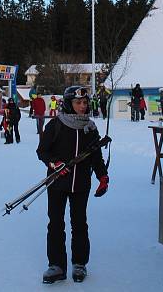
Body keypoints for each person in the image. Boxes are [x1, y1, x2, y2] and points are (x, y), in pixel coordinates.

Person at [36, 85, 109, 284]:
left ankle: (79, 263)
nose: (83, 106)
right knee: (56, 224)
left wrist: (103, 176)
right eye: (78, 102)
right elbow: (42, 151)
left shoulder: (90, 128)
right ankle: (57, 265)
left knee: (79, 224)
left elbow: (96, 157)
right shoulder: (56, 125)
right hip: (58, 183)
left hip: (81, 185)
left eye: (85, 102)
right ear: (69, 104)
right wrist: (54, 164)